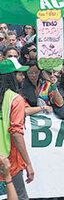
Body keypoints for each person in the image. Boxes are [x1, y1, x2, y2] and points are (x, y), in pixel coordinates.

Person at [0, 58, 34, 200]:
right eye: (19, 73)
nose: (23, 76)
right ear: (12, 76)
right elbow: (16, 133)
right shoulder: (16, 99)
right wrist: (28, 163)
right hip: (9, 162)